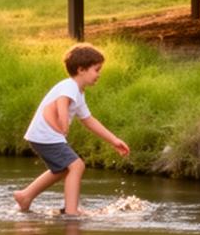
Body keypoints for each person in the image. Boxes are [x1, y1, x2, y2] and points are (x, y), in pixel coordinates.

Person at [13, 43, 131, 216]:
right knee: (77, 165)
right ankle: (71, 210)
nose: (99, 74)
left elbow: (88, 120)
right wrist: (63, 122)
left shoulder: (78, 92)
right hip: (45, 135)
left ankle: (26, 196)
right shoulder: (70, 86)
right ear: (81, 69)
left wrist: (114, 140)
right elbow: (62, 101)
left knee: (64, 169)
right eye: (96, 70)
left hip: (43, 135)